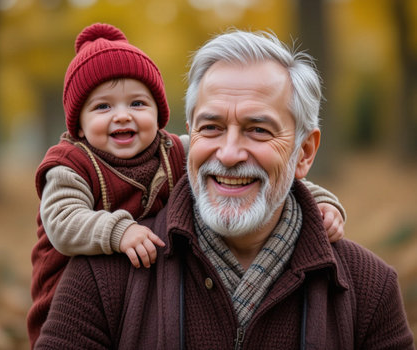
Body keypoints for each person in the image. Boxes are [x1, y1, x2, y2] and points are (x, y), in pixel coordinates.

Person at [30, 27, 366, 349]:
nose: (228, 153)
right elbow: (62, 221)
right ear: (78, 124)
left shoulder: (368, 289)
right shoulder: (70, 169)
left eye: (137, 104)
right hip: (69, 273)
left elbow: (277, 172)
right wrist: (119, 232)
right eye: (102, 107)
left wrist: (322, 202)